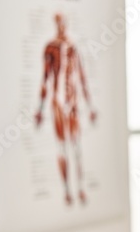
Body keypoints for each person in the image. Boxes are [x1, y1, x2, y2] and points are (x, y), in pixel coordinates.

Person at [34, 12, 97, 205]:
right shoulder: (51, 48)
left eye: (64, 22)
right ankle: (67, 191)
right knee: (62, 147)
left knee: (76, 147)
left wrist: (90, 106)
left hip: (73, 102)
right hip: (58, 103)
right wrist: (40, 109)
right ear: (56, 24)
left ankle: (79, 189)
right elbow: (45, 78)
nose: (62, 25)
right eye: (59, 22)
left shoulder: (72, 47)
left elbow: (82, 76)